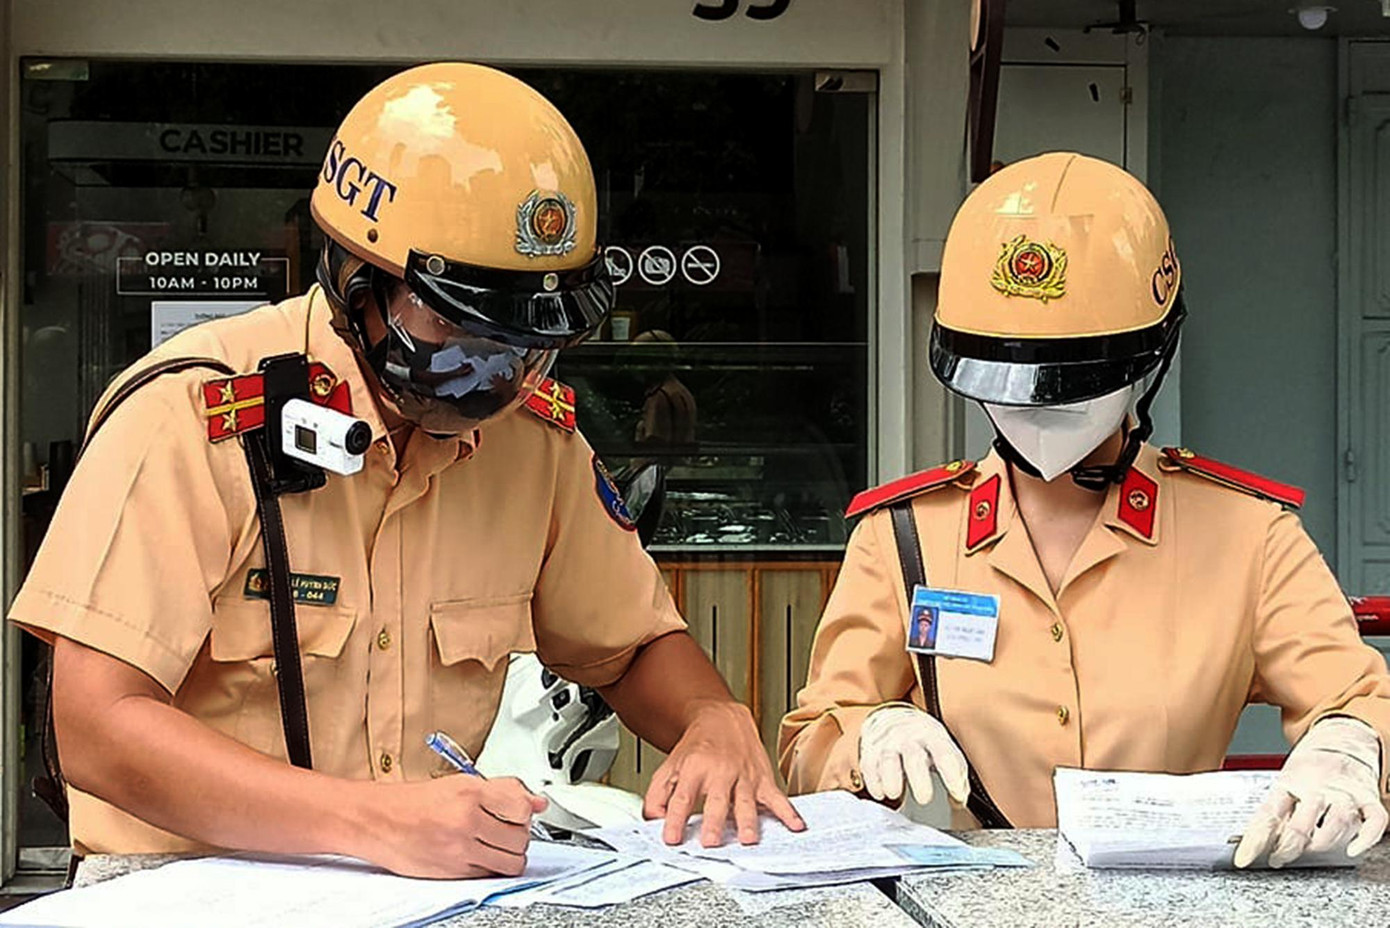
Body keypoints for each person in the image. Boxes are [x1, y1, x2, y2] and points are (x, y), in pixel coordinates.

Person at [10, 63, 800, 880]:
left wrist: (712, 718)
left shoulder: (533, 446)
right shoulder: (195, 416)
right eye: (461, 328)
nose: (498, 373)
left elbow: (630, 649)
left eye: (528, 341)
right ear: (356, 278)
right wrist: (372, 823)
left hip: (419, 892)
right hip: (183, 890)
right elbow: (94, 726)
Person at [779, 152, 1390, 868]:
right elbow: (809, 741)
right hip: (976, 903)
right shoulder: (907, 535)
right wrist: (869, 734)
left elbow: (1353, 697)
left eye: (1075, 378)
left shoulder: (1245, 535)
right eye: (1008, 377)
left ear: (1152, 356)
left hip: (1173, 907)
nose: (1040, 408)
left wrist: (1348, 749)